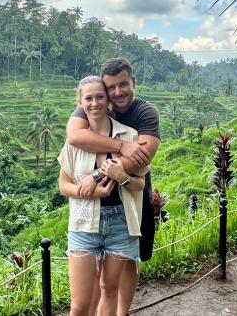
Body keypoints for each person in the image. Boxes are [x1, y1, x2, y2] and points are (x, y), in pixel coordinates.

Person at [67, 58, 160, 315]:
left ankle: (123, 312)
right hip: (95, 209)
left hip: (133, 192)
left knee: (130, 261)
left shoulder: (145, 112)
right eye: (112, 87)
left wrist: (95, 176)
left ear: (133, 82)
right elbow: (74, 137)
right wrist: (120, 146)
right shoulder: (94, 102)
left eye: (123, 84)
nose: (118, 92)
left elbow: (140, 159)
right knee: (99, 278)